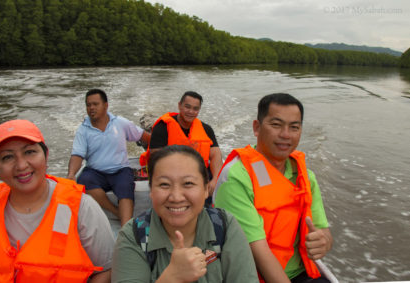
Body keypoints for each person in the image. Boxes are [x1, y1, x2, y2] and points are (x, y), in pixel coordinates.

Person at [214, 93, 333, 283]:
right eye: (276, 125)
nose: (286, 134)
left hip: (302, 274)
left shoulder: (305, 177)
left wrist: (324, 242)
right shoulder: (237, 176)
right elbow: (258, 252)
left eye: (294, 127)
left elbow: (322, 229)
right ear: (256, 127)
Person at [0, 119, 113, 282]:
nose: (22, 165)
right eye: (7, 157)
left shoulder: (81, 207)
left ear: (45, 155)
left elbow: (106, 270)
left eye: (29, 152)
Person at [112, 145, 259, 283]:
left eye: (188, 183)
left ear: (206, 189)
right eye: (164, 184)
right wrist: (172, 278)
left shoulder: (224, 226)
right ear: (151, 190)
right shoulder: (134, 236)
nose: (176, 197)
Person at [67, 89, 150, 226]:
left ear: (106, 106)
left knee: (125, 186)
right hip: (95, 172)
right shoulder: (83, 129)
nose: (91, 108)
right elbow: (77, 154)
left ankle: (126, 229)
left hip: (120, 169)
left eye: (95, 104)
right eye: (88, 105)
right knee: (83, 180)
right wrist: (71, 174)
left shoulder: (120, 123)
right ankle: (117, 212)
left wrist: (156, 151)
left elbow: (145, 136)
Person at [140, 91, 222, 203]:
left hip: (199, 173)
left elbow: (215, 155)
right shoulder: (162, 128)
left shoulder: (206, 129)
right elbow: (156, 160)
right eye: (187, 107)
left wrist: (215, 180)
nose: (191, 112)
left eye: (195, 109)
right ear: (179, 105)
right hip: (171, 174)